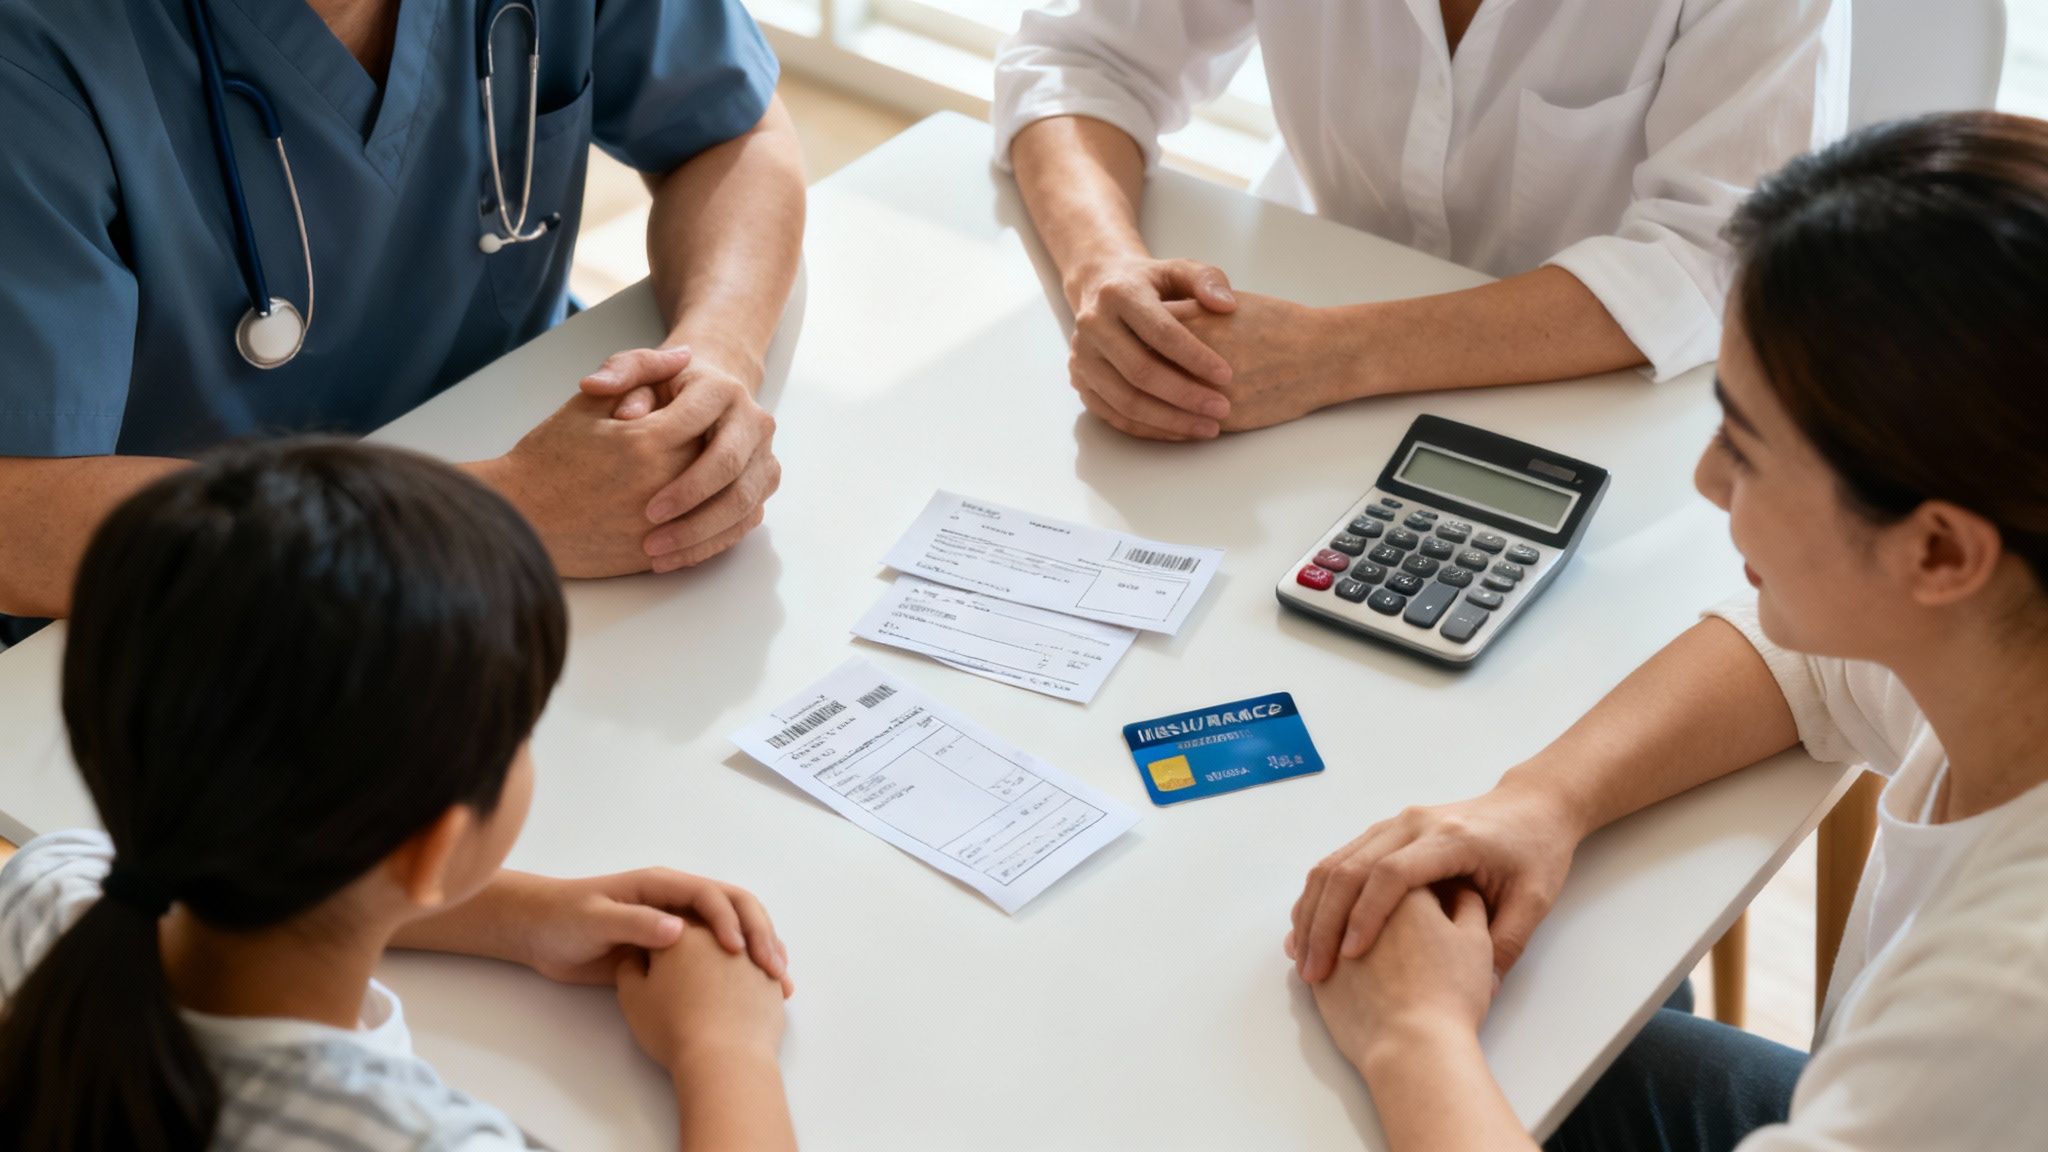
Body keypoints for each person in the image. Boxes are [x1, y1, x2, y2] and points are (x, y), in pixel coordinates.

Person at [1285, 111, 2048, 1151]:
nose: (1703, 479)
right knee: (1584, 1028)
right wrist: (1541, 801)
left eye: (1743, 447)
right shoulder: (2001, 628)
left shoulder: (2005, 1006)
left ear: (1936, 552)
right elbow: (1804, 663)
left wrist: (1411, 1037)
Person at [0, 439, 798, 1151]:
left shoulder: (45, 889)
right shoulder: (425, 1137)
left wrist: (525, 918)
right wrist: (723, 1052)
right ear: (432, 847)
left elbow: (267, 864)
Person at [0, 0, 808, 646]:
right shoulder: (34, 48)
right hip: (214, 603)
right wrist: (504, 511)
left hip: (560, 501)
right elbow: (16, 519)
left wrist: (714, 360)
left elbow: (734, 133)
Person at [991, 0, 1848, 441]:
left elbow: (1718, 257)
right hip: (1270, 348)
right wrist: (1104, 270)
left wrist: (1332, 354)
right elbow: (1080, 59)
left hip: (1603, 402)